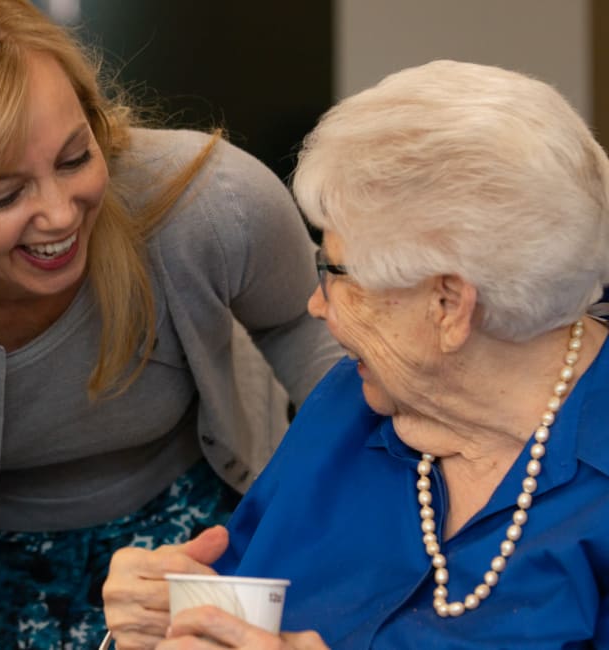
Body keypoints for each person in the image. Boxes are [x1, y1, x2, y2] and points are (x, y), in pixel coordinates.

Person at [0, 1, 342, 648]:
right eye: (3, 195)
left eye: (73, 159)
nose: (60, 215)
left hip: (180, 517)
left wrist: (322, 541)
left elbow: (315, 340)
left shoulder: (212, 204)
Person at [102, 59, 609, 649]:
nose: (317, 305)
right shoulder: (352, 404)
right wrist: (153, 618)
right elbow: (222, 618)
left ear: (448, 304)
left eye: (337, 271)